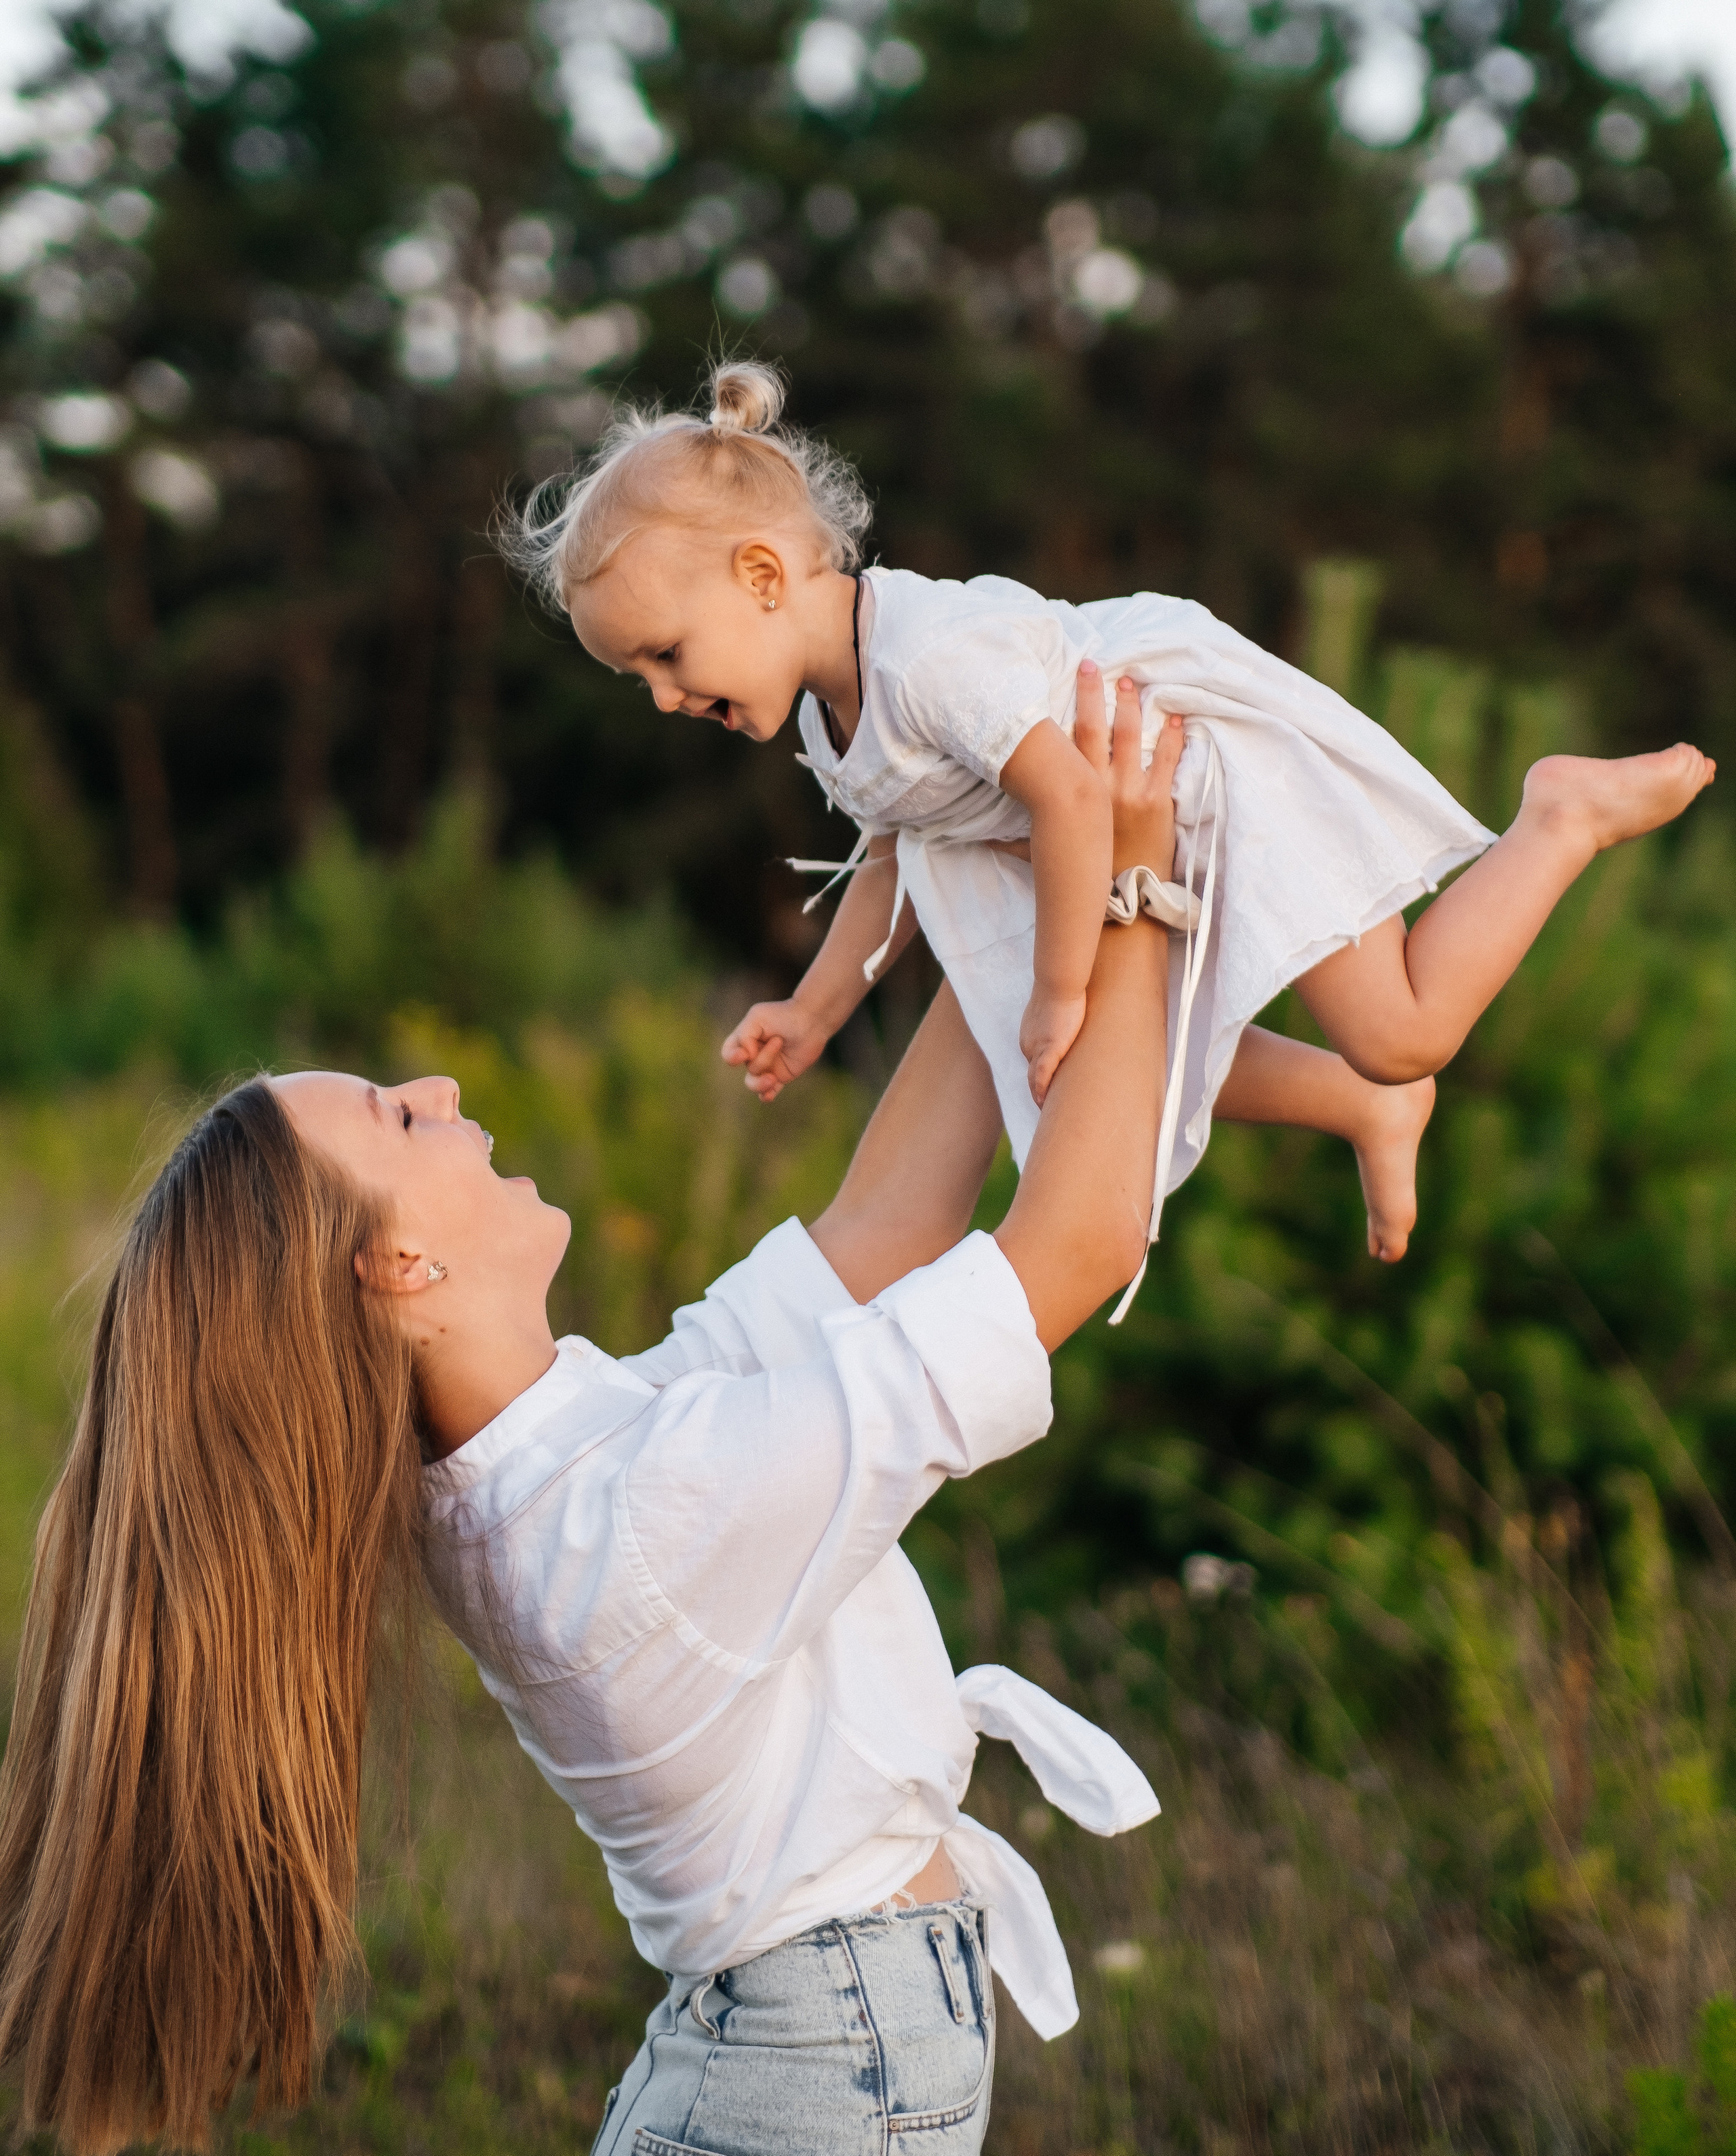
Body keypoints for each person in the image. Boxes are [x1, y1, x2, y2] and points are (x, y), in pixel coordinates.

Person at [0, 669, 1185, 2156]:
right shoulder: (626, 1527)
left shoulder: (570, 1459)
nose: (434, 1081)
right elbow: (1077, 1250)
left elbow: (888, 1221)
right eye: (394, 1115)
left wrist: (1018, 865)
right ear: (401, 1266)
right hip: (816, 2085)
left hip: (791, 2061)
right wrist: (1133, 891)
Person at [515, 362, 1715, 1298]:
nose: (668, 697)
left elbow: (1076, 795)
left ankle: (1557, 818)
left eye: (666, 656)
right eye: (642, 678)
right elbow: (890, 847)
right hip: (1105, 842)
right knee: (1114, 1075)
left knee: (1400, 1030)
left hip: (1194, 771)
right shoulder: (837, 713)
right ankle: (1362, 1109)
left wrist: (1058, 985)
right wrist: (816, 1009)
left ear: (766, 577)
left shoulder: (930, 654)